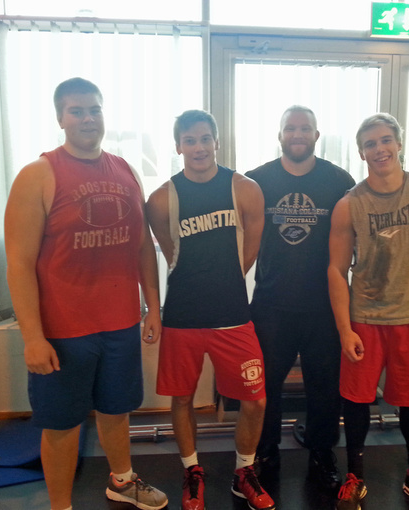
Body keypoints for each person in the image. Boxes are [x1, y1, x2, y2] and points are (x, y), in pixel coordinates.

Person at [4, 77, 168, 510]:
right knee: (62, 425)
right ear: (60, 118)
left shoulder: (125, 170)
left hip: (120, 323)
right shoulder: (38, 175)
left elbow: (142, 246)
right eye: (76, 111)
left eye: (94, 109)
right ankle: (61, 505)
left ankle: (122, 482)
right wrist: (32, 338)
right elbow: (19, 264)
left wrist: (153, 307)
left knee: (117, 411)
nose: (87, 118)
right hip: (63, 331)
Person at [146, 110, 275, 510]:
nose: (198, 147)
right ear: (178, 146)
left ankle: (244, 472)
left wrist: (223, 283)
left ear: (217, 142)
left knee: (255, 400)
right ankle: (192, 472)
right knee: (182, 399)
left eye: (205, 139)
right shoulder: (161, 199)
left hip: (232, 314)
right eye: (190, 140)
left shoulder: (245, 189)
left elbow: (248, 252)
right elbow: (172, 255)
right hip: (182, 316)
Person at [327, 113, 409, 510]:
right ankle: (355, 477)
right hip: (366, 319)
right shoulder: (349, 204)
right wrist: (345, 328)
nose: (379, 149)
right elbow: (336, 270)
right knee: (356, 402)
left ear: (399, 143)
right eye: (370, 144)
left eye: (385, 140)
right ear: (361, 152)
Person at [245, 105, 355, 491]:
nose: (297, 134)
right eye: (290, 128)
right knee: (265, 386)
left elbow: (357, 237)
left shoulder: (339, 181)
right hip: (271, 303)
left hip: (325, 305)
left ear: (316, 135)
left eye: (304, 128)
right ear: (279, 135)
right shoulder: (255, 182)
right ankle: (265, 451)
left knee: (325, 386)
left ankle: (322, 452)